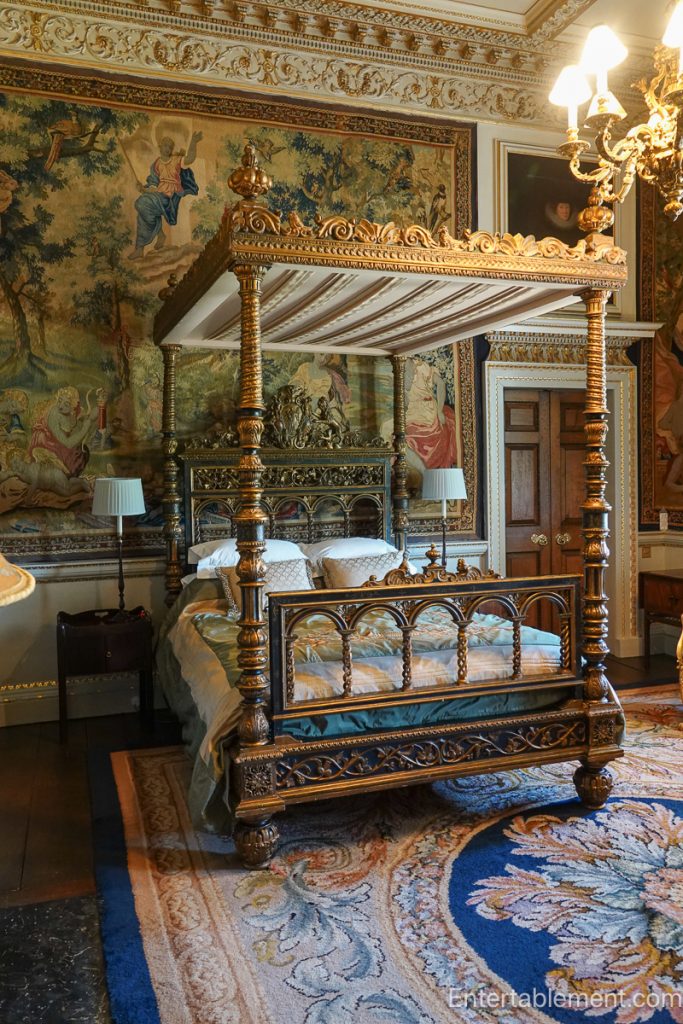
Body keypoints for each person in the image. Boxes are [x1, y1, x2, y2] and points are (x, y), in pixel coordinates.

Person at [129, 132, 202, 260]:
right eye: (165, 146)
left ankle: (144, 245)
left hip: (169, 197)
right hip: (159, 193)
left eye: (170, 147)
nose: (168, 149)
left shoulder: (176, 160)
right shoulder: (156, 164)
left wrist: (193, 142)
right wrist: (143, 189)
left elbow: (190, 158)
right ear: (160, 147)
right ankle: (149, 242)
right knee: (142, 207)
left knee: (142, 204)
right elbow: (153, 183)